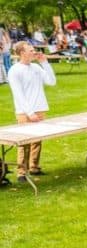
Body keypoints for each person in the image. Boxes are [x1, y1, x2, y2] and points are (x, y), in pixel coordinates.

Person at [8, 41, 56, 183]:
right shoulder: (15, 70)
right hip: (25, 112)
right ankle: (21, 172)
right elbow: (18, 94)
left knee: (37, 141)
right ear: (22, 53)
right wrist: (29, 113)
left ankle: (34, 166)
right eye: (30, 50)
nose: (34, 52)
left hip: (40, 109)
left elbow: (51, 81)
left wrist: (45, 63)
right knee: (24, 143)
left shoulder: (36, 67)